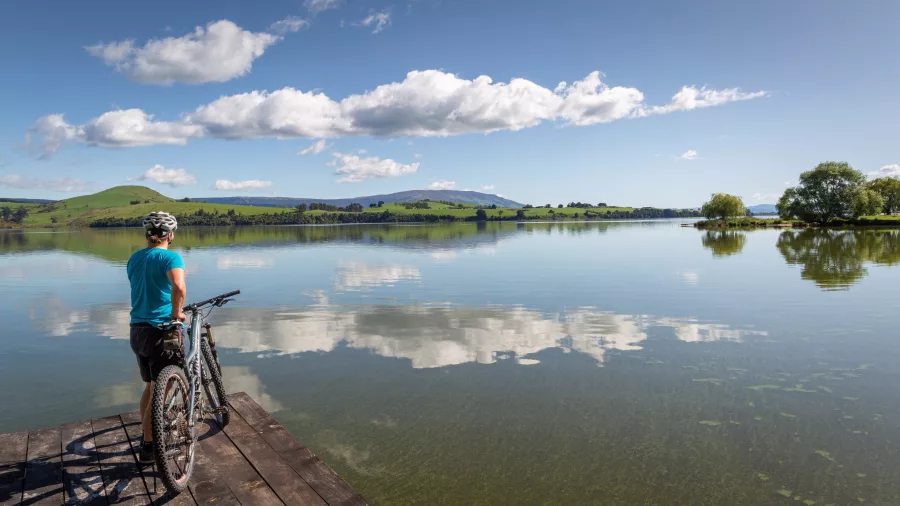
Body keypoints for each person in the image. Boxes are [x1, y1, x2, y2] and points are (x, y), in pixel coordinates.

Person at [127, 211, 186, 464]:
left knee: (151, 386)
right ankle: (150, 446)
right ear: (170, 235)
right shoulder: (170, 257)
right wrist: (177, 313)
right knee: (164, 387)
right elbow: (179, 287)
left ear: (147, 235)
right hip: (161, 329)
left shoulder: (134, 258)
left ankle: (147, 436)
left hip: (137, 330)